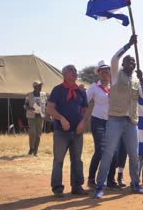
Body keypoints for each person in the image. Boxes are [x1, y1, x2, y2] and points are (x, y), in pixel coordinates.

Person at [94, 35, 143, 199]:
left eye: (133, 62)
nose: (131, 63)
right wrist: (129, 45)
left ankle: (135, 183)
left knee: (134, 154)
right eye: (128, 61)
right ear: (123, 64)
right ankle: (100, 186)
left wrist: (142, 80)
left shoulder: (135, 81)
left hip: (132, 121)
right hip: (115, 119)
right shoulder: (116, 75)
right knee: (109, 152)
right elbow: (114, 58)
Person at [46, 65, 89, 197]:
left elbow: (86, 110)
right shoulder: (58, 90)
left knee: (77, 160)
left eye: (76, 71)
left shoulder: (81, 91)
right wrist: (61, 119)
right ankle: (57, 188)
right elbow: (49, 109)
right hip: (61, 132)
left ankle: (77, 186)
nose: (75, 73)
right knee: (58, 160)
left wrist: (83, 123)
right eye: (72, 71)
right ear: (64, 74)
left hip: (77, 132)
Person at [85, 61, 121, 190]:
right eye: (103, 70)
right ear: (99, 73)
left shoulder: (115, 86)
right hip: (98, 121)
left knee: (114, 152)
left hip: (113, 121)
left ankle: (111, 180)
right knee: (100, 150)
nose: (105, 72)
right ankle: (91, 180)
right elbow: (84, 101)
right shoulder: (94, 87)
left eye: (107, 70)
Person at [23, 80, 47, 156]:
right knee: (32, 132)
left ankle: (36, 150)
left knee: (38, 134)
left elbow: (45, 105)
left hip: (40, 116)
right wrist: (29, 108)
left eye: (41, 86)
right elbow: (25, 105)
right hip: (31, 116)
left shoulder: (43, 94)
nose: (41, 87)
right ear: (35, 87)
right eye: (39, 86)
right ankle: (31, 148)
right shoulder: (29, 95)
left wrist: (44, 110)